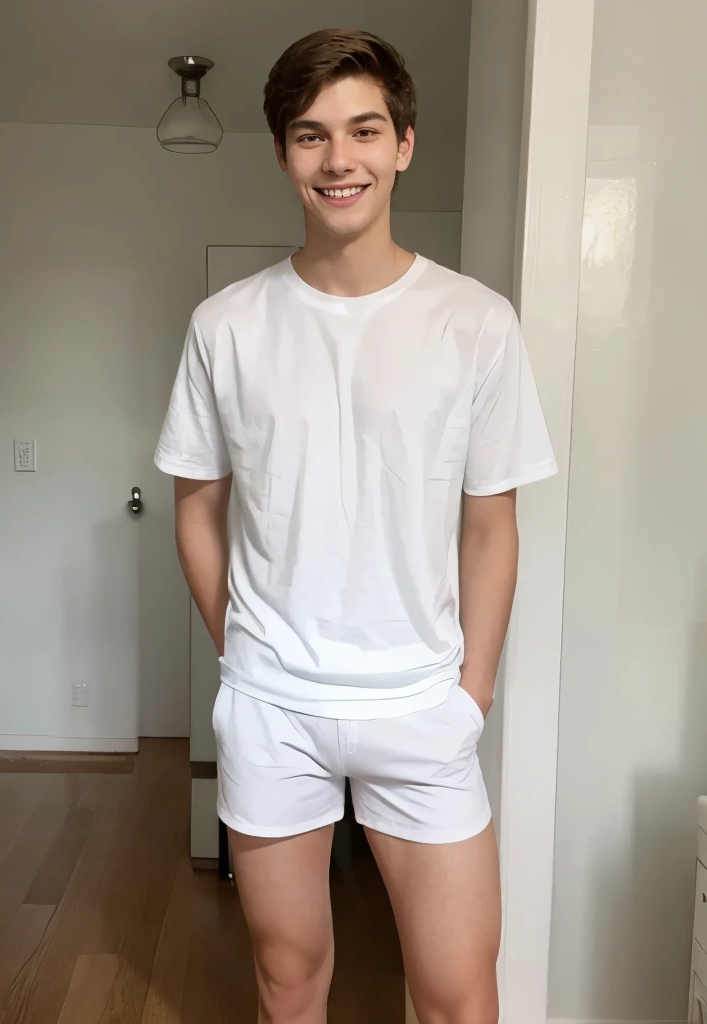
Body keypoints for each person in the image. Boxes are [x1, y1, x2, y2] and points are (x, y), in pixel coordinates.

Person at [154, 27, 557, 1024]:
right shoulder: (227, 326)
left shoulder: (475, 323)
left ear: (404, 142)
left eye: (363, 130)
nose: (340, 159)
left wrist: (471, 694)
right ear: (284, 152)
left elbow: (490, 527)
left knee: (460, 999)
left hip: (421, 703)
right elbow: (196, 508)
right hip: (273, 707)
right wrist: (241, 651)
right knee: (288, 982)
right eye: (311, 134)